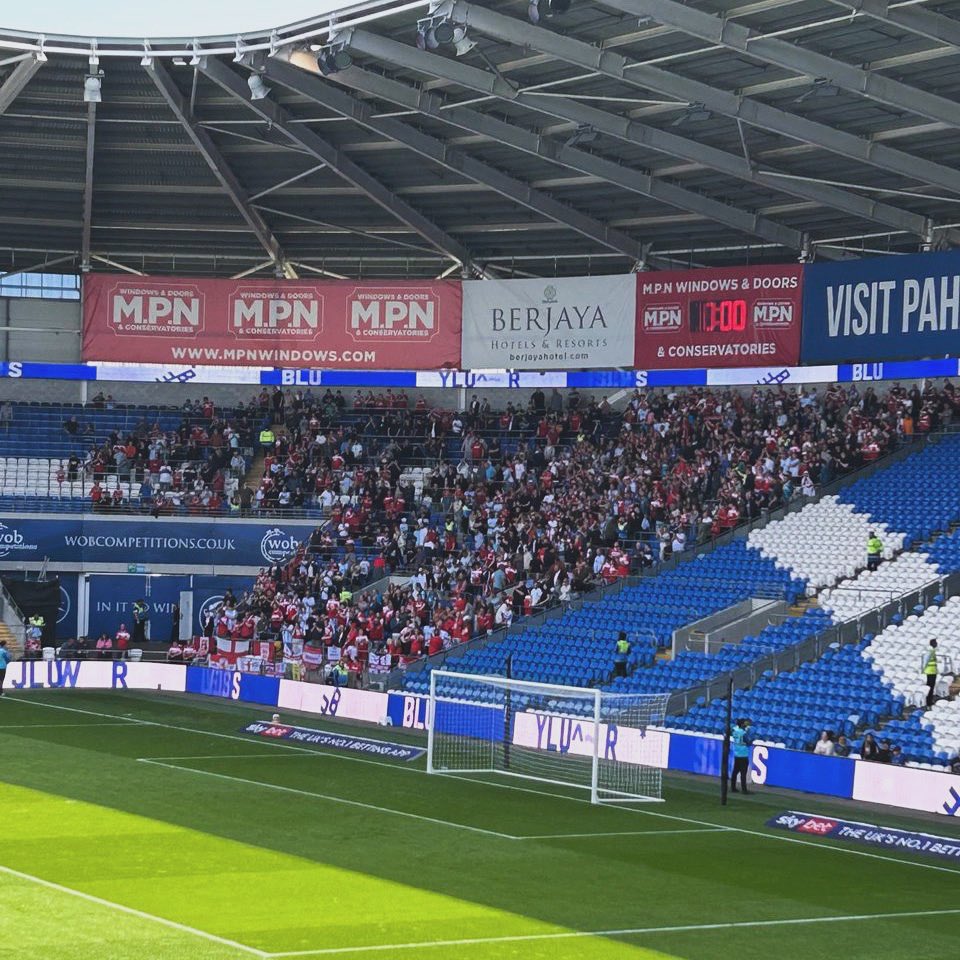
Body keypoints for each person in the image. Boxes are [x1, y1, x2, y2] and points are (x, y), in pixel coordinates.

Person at [730, 717, 751, 794]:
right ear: (742, 724)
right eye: (744, 723)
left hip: (737, 754)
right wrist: (752, 739)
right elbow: (748, 743)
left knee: (735, 772)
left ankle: (733, 787)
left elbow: (733, 730)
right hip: (743, 755)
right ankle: (744, 790)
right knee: (743, 773)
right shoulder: (743, 733)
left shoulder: (735, 731)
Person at [922, 639, 939, 707]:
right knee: (930, 687)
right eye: (936, 643)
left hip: (932, 671)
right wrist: (923, 670)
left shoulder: (933, 651)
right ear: (933, 644)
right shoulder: (931, 651)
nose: (937, 644)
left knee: (931, 687)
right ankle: (928, 701)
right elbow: (925, 661)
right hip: (930, 672)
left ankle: (929, 700)